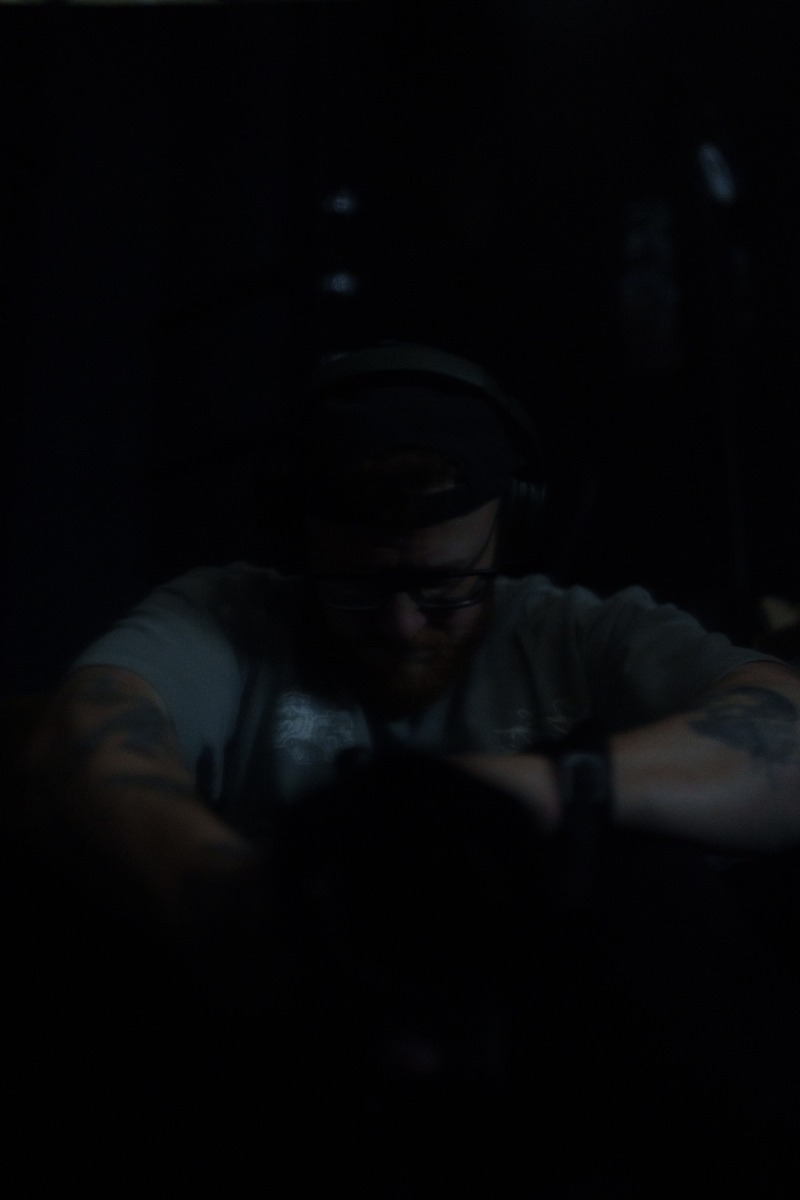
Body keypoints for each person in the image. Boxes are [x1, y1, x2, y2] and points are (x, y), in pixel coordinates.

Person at [15, 343, 800, 1194]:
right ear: (297, 539)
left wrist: (532, 792)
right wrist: (236, 905)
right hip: (287, 1082)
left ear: (511, 526)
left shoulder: (577, 635)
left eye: (445, 587)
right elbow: (87, 735)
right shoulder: (227, 618)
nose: (400, 626)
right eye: (355, 585)